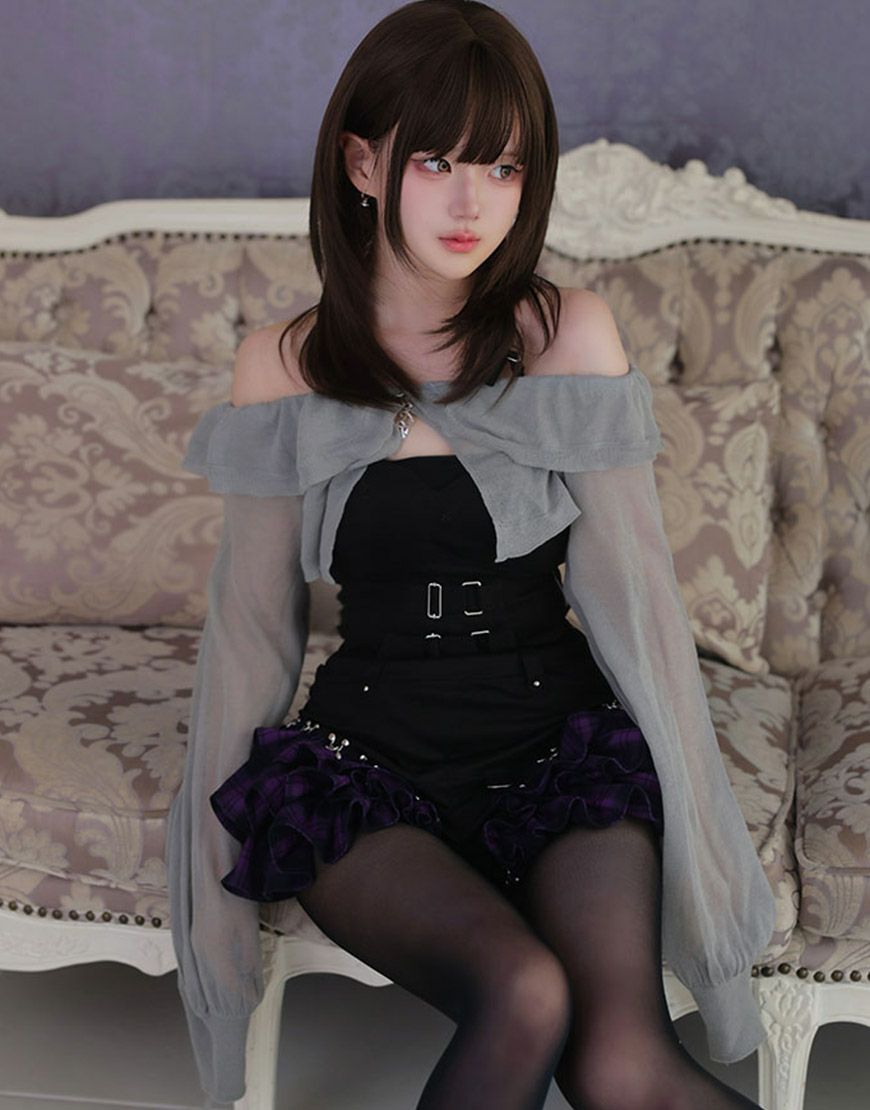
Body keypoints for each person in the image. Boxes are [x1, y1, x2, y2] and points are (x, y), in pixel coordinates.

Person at [166, 3, 776, 1107]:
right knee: (524, 992)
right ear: (363, 163)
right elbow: (253, 634)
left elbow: (636, 605)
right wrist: (205, 905)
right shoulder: (282, 365)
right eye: (437, 161)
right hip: (366, 762)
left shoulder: (566, 335)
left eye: (502, 168)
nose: (471, 203)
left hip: (555, 747)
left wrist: (706, 843)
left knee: (620, 1059)